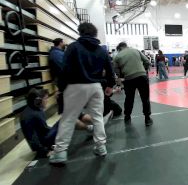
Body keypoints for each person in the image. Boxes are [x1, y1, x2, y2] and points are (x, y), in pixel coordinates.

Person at [49, 23, 115, 164]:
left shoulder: (73, 47)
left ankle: (60, 152)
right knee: (97, 117)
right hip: (96, 87)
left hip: (75, 86)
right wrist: (110, 85)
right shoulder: (101, 50)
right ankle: (101, 147)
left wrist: (61, 88)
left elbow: (65, 69)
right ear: (94, 33)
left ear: (80, 32)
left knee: (68, 118)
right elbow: (110, 69)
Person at [113, 42, 153, 126]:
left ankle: (127, 116)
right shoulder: (136, 51)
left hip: (129, 79)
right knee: (145, 99)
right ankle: (147, 119)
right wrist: (143, 70)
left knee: (129, 99)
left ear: (119, 49)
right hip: (142, 77)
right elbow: (147, 62)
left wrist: (121, 78)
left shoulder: (117, 56)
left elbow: (116, 71)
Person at [20, 88, 57, 159]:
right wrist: (45, 152)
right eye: (46, 98)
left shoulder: (36, 109)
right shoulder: (28, 115)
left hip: (45, 139)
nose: (47, 101)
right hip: (43, 145)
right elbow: (31, 137)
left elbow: (43, 128)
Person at [48, 38, 66, 115]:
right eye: (63, 42)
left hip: (61, 77)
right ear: (60, 43)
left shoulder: (57, 52)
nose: (64, 44)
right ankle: (62, 111)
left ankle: (63, 111)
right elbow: (63, 66)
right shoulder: (56, 53)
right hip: (61, 77)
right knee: (63, 93)